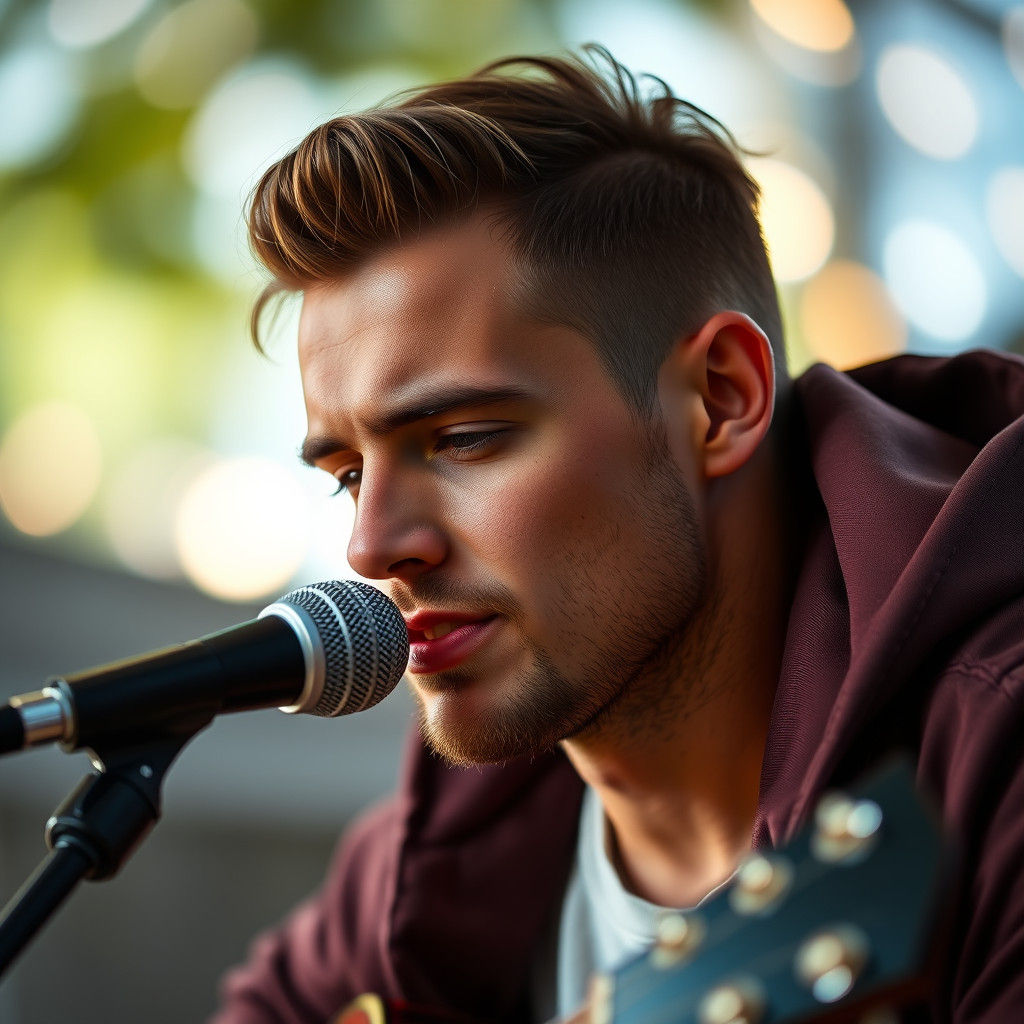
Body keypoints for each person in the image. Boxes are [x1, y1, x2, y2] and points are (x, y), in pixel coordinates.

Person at [211, 47, 1024, 1024]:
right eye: (346, 474)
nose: (371, 545)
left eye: (462, 438)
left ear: (720, 399)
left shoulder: (994, 770)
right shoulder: (422, 876)